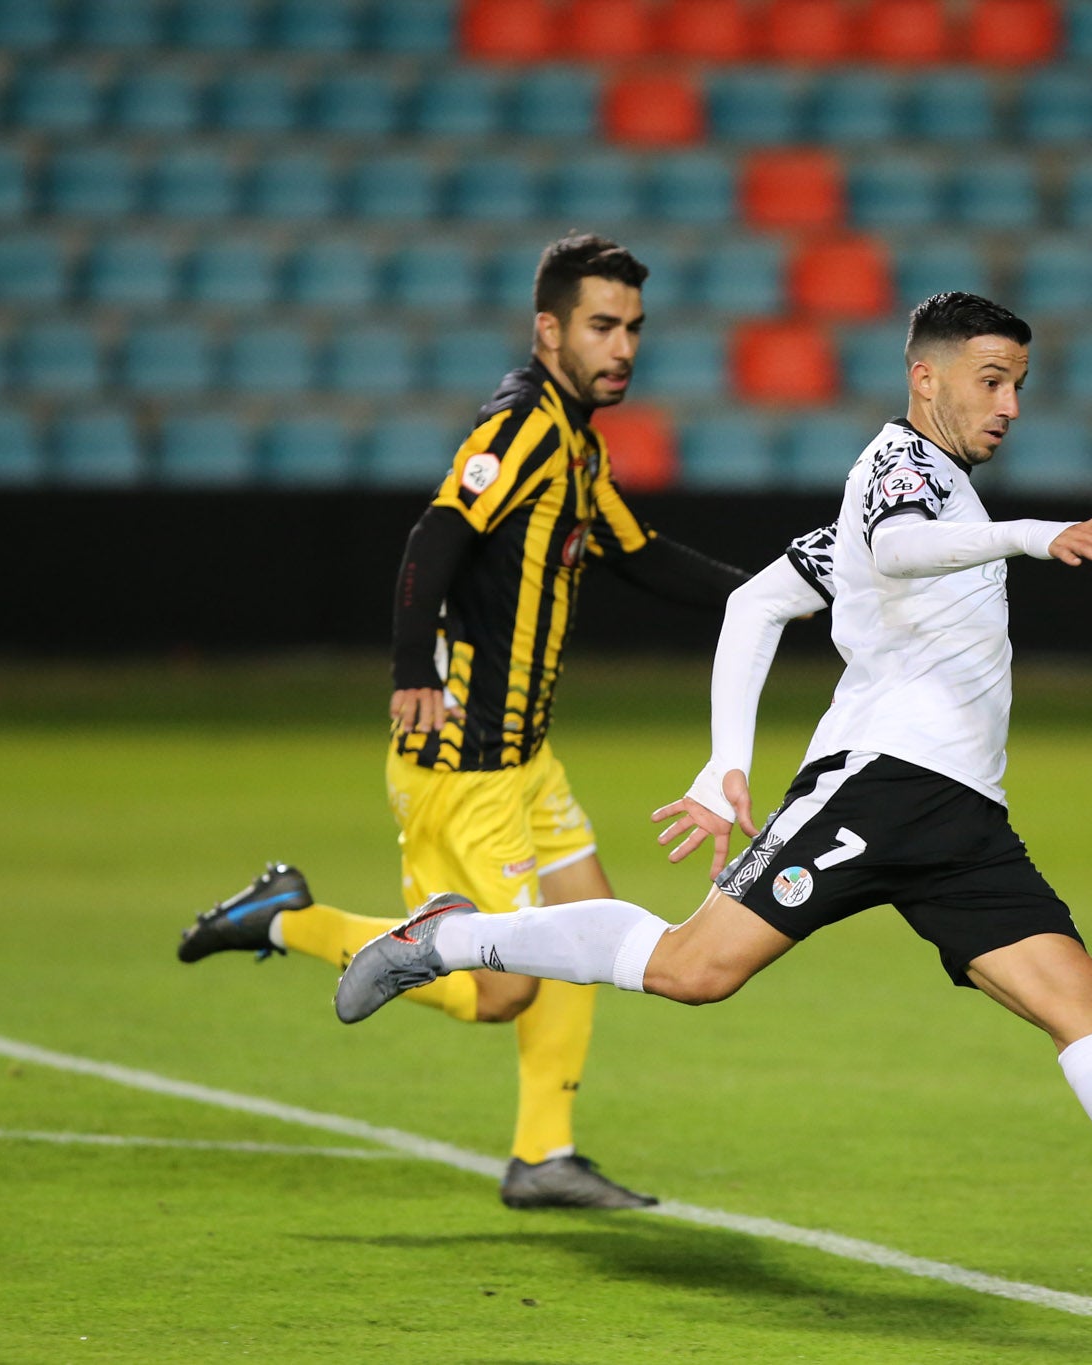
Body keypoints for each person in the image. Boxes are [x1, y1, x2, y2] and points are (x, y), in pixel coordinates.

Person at [333, 291, 1092, 1265]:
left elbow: (758, 604)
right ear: (926, 378)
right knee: (695, 970)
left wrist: (723, 765)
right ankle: (447, 937)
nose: (1008, 405)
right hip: (879, 784)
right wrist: (1030, 535)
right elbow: (898, 544)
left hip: (961, 817)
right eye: (991, 380)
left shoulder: (933, 489)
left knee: (1087, 1004)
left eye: (1018, 386)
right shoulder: (898, 471)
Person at [178, 233, 747, 1210]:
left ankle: (542, 1156)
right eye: (601, 326)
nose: (622, 347)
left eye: (633, 330)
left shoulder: (576, 441)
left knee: (585, 932)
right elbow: (437, 529)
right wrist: (410, 664)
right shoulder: (523, 425)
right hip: (467, 759)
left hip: (525, 756)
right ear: (549, 329)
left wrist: (779, 596)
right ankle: (288, 920)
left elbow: (639, 553)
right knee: (502, 987)